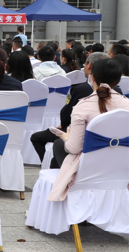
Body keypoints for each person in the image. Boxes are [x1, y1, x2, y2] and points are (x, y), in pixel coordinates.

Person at [47, 58, 129, 200]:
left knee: (60, 144)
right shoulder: (126, 104)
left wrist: (66, 138)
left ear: (92, 77)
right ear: (118, 80)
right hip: (122, 167)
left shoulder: (83, 106)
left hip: (89, 170)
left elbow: (74, 148)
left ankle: (59, 202)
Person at [29, 51, 112, 167]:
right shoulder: (117, 91)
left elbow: (67, 112)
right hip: (107, 135)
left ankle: (49, 167)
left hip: (75, 131)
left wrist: (63, 125)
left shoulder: (81, 89)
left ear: (89, 66)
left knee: (38, 138)